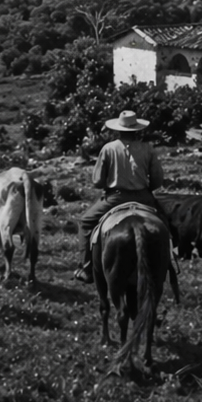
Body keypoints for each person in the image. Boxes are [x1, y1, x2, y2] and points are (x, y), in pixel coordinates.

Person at [73, 110, 168, 283]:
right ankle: (170, 262)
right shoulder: (148, 149)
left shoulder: (108, 148)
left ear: (118, 130)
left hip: (115, 198)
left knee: (85, 223)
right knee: (166, 223)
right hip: (143, 197)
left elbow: (97, 181)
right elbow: (157, 180)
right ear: (137, 130)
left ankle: (86, 267)